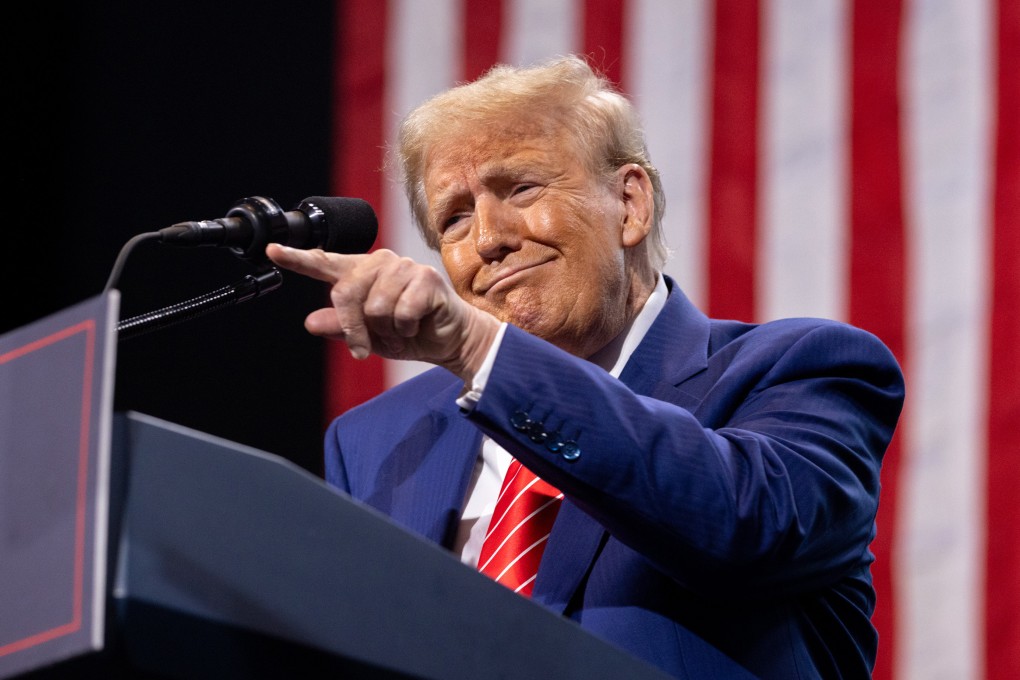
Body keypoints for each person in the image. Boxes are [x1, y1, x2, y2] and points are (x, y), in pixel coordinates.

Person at [266, 55, 904, 679]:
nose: (488, 238)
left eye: (521, 188)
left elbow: (747, 522)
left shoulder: (804, 369)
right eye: (454, 218)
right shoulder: (374, 440)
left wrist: (481, 354)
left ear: (630, 205)